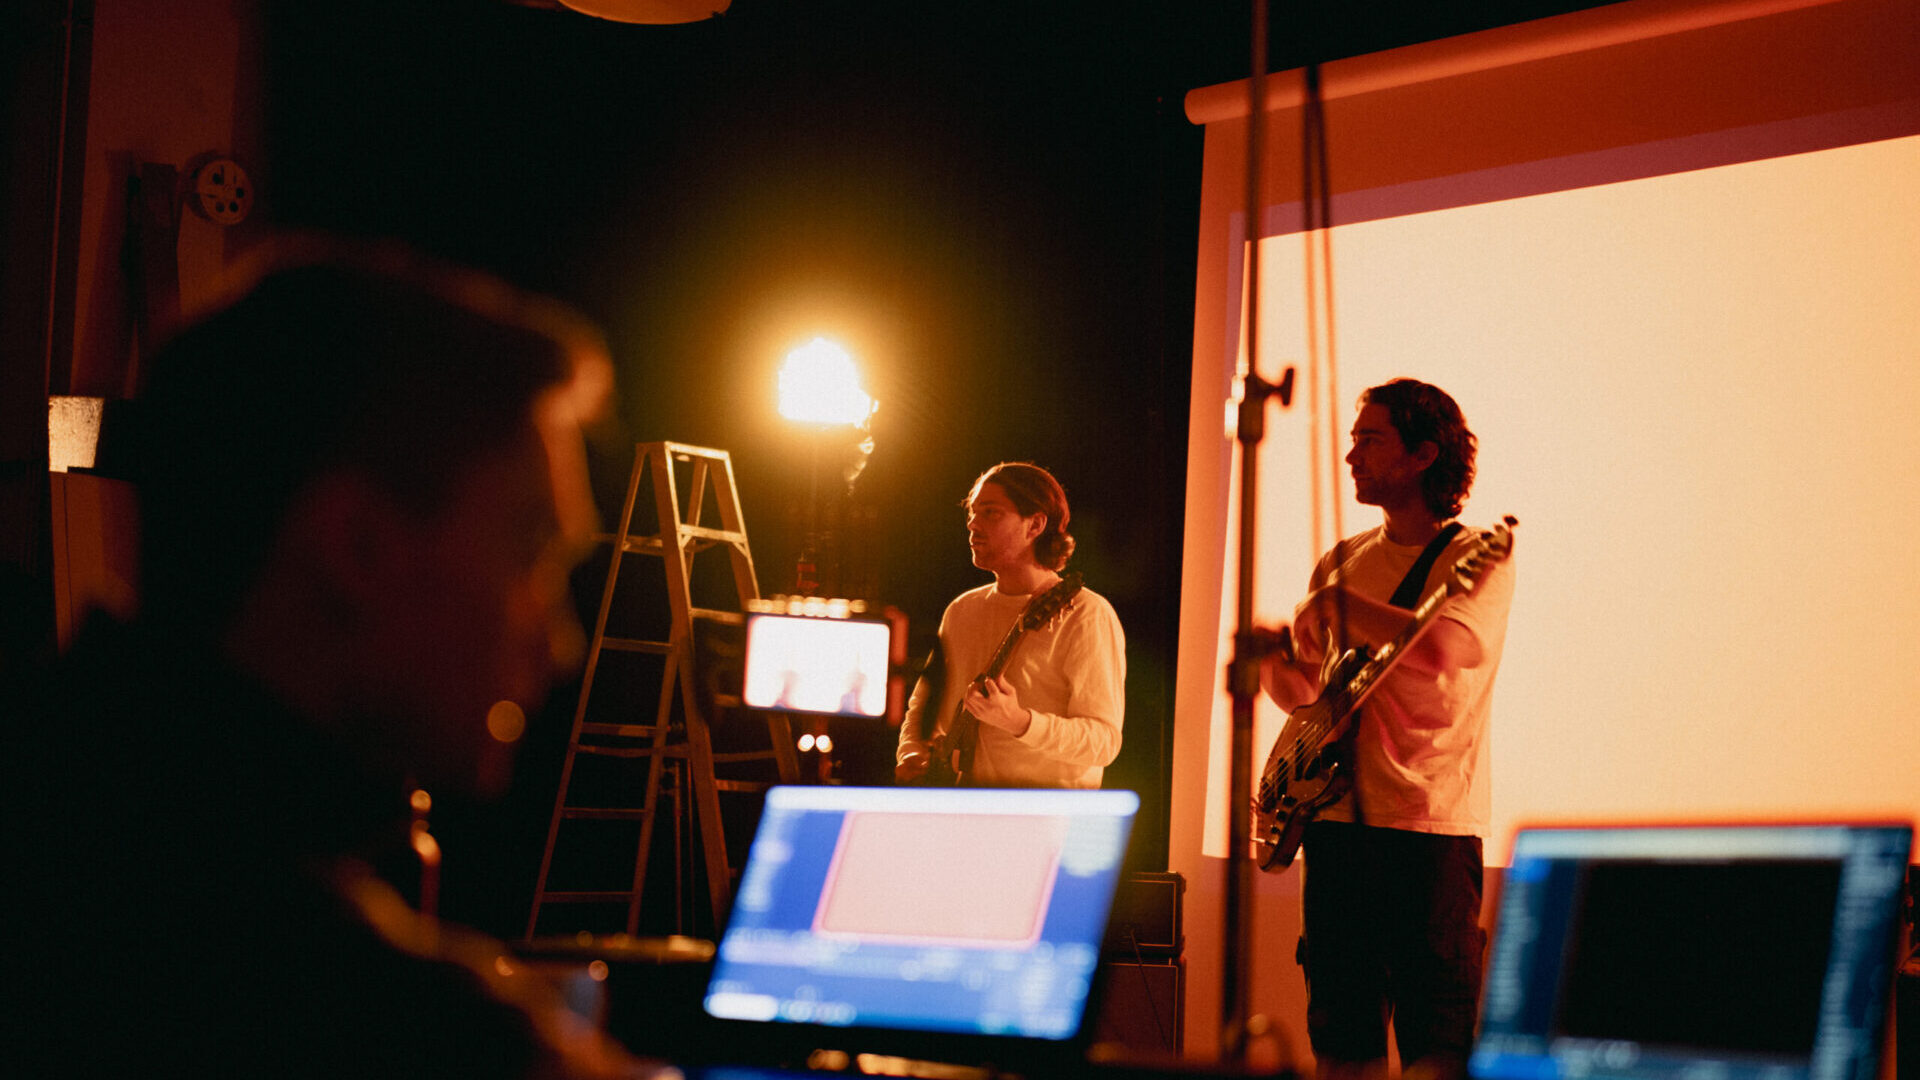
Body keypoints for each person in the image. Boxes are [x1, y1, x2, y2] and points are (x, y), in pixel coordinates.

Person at [7, 243, 658, 1078]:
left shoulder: (55, 791)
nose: (560, 644)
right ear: (357, 546)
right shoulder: (356, 1013)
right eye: (530, 555)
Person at [1256, 379, 1515, 1080]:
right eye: (1352, 438)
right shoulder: (1342, 560)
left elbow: (1443, 650)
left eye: (1370, 439)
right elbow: (1306, 697)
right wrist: (1272, 664)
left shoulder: (1478, 555)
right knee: (1342, 1045)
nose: (1350, 455)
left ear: (1424, 453)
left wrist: (1341, 607)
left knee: (1437, 1048)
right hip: (1336, 829)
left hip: (1428, 831)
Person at [894, 462, 1125, 789]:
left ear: (1035, 525)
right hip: (965, 812)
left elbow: (1103, 742)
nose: (973, 524)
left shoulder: (1086, 614)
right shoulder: (962, 610)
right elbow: (923, 706)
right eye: (973, 513)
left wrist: (1019, 721)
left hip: (1045, 820)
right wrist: (912, 754)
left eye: (991, 513)